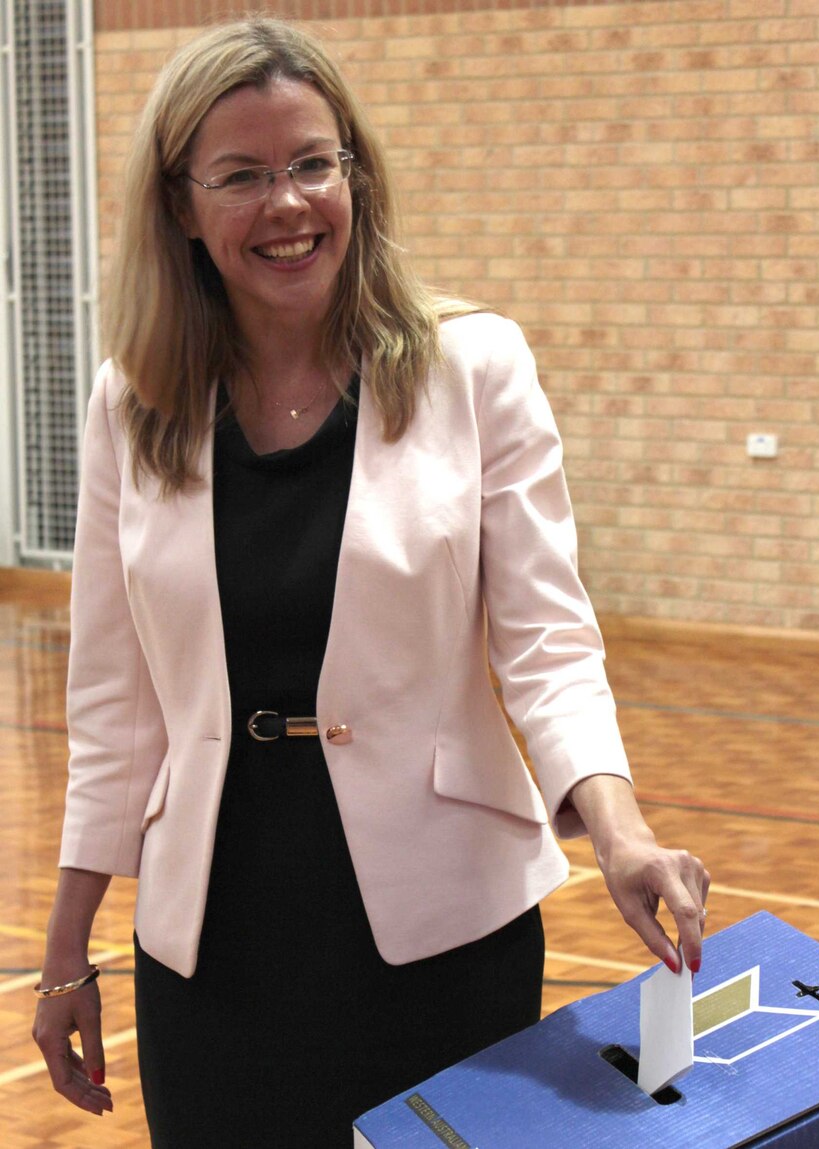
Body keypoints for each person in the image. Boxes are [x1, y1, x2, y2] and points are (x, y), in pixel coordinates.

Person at [32, 16, 709, 1148]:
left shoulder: (474, 367)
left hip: (441, 930)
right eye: (241, 176)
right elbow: (114, 706)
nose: (287, 204)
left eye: (311, 163)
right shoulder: (131, 402)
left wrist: (622, 830)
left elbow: (545, 640)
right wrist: (66, 958)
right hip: (212, 937)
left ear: (357, 175)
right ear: (181, 209)